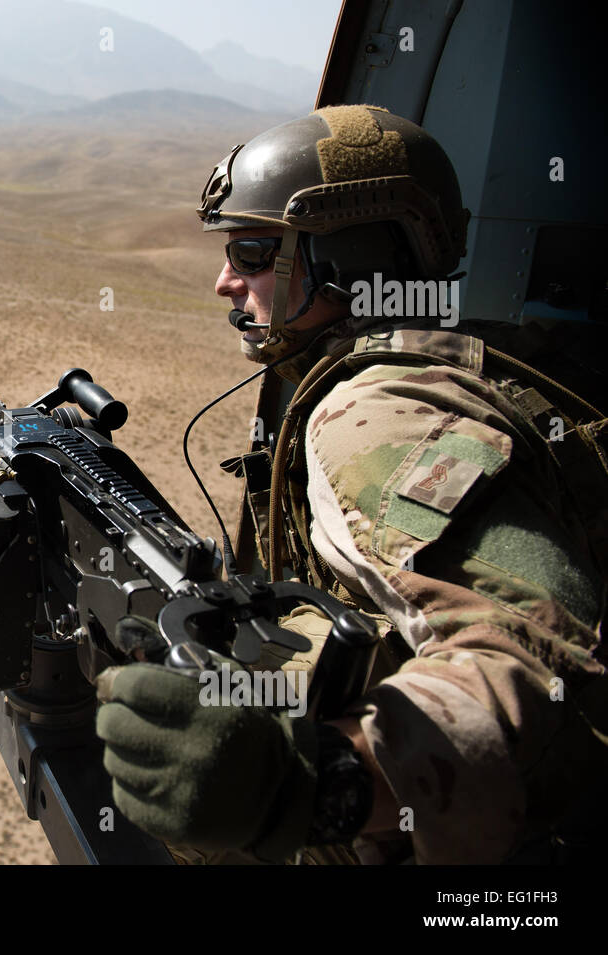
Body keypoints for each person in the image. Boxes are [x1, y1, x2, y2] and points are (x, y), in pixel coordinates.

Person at [95, 104, 608, 863]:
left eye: (252, 252)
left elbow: (537, 661)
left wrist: (320, 779)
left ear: (348, 259)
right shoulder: (457, 350)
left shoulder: (371, 415)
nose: (223, 282)